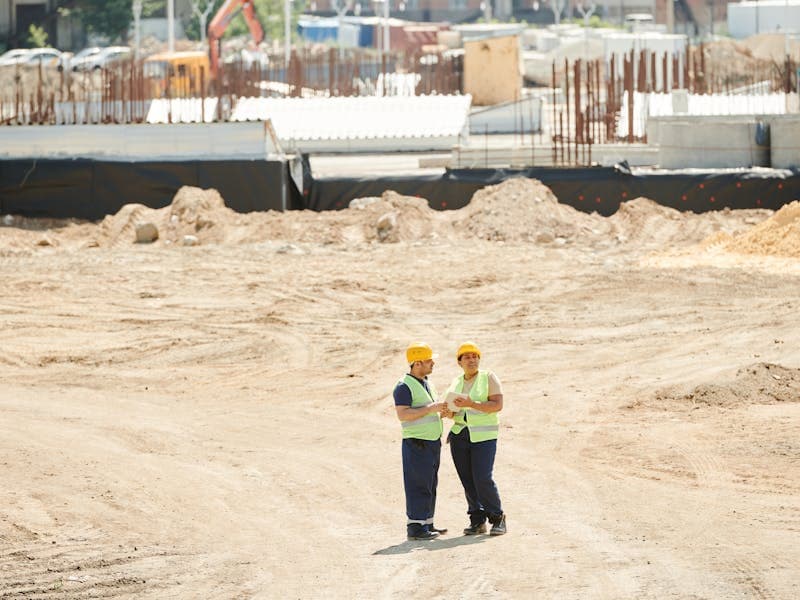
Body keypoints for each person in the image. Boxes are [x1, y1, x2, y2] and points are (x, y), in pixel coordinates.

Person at [445, 341, 507, 536]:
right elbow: (454, 409)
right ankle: (477, 520)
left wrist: (472, 404)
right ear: (459, 362)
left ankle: (497, 517)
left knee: (482, 478)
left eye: (474, 356)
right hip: (459, 435)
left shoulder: (488, 377)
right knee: (468, 480)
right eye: (467, 357)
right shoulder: (456, 382)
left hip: (484, 436)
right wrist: (448, 412)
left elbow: (497, 405)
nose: (471, 360)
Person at [393, 342, 449, 541]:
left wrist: (443, 412)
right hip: (417, 442)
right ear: (417, 363)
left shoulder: (427, 382)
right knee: (418, 484)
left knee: (430, 483)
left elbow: (428, 411)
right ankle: (416, 526)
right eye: (428, 360)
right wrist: (431, 408)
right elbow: (403, 414)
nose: (432, 363)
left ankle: (427, 523)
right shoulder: (403, 386)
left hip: (431, 441)